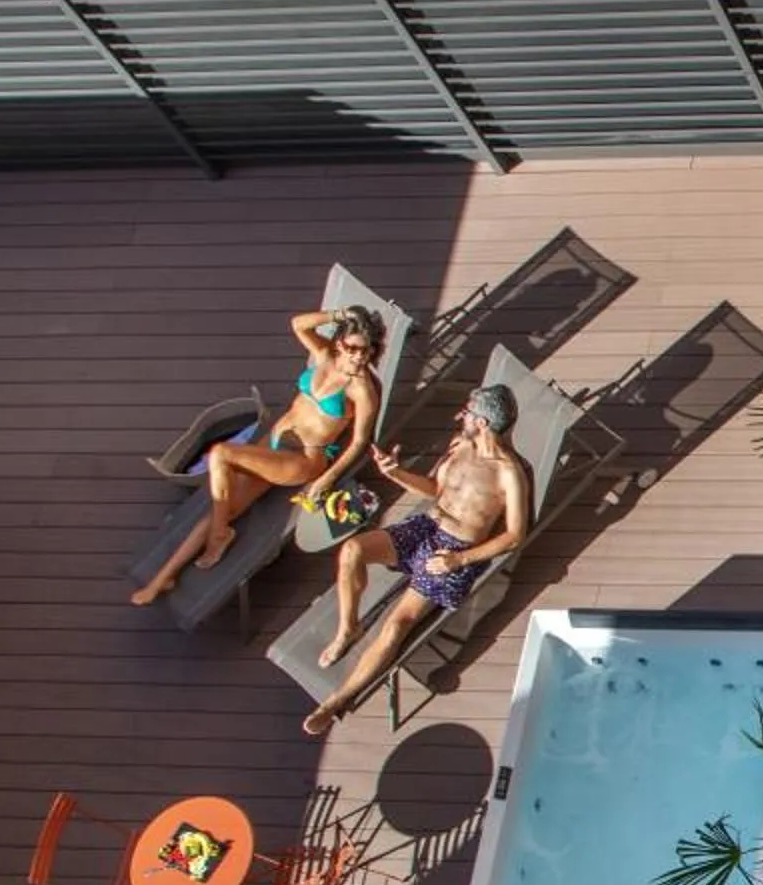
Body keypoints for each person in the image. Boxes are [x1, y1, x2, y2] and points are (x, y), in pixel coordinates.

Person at [301, 384, 533, 736]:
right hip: (426, 525)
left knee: (397, 625)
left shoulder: (508, 473)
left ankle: (336, 701)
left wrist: (459, 560)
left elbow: (515, 535)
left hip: (453, 550)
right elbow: (436, 490)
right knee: (352, 551)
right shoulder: (459, 446)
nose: (462, 416)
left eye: (468, 413)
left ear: (483, 422)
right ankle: (349, 627)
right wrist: (395, 473)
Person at [134, 306, 384, 606]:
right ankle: (164, 578)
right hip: (274, 442)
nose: (360, 356)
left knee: (221, 454)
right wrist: (338, 314)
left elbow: (358, 442)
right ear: (341, 342)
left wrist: (326, 480)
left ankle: (218, 537)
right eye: (354, 348)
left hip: (303, 458)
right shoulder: (324, 356)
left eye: (366, 351)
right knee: (220, 510)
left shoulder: (362, 391)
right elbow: (298, 325)